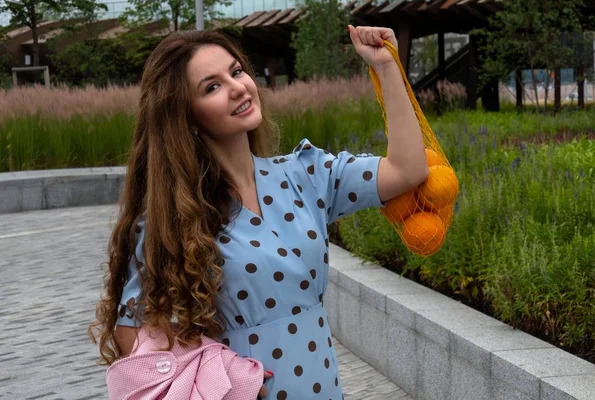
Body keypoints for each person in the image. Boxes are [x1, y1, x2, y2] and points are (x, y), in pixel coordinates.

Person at [88, 25, 428, 399]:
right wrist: (211, 376)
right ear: (186, 117)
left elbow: (407, 171)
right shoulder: (176, 216)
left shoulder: (306, 173)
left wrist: (386, 67)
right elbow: (130, 330)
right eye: (211, 86)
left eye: (236, 72)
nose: (237, 87)